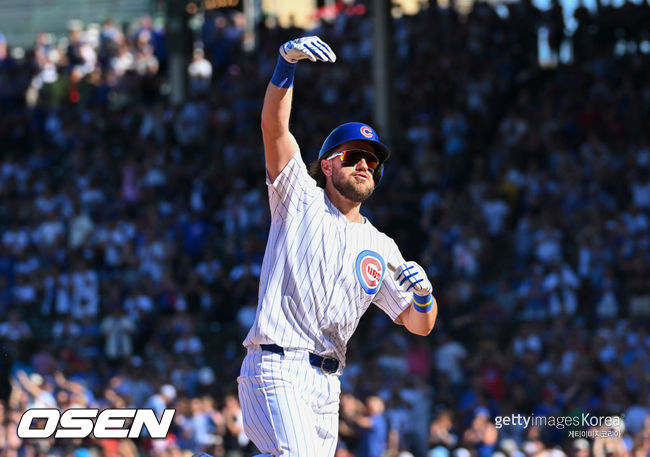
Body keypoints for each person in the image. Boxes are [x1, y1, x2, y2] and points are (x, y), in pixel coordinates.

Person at [231, 36, 438, 457]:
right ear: (326, 165)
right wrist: (285, 65)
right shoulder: (299, 196)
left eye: (372, 161)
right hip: (277, 363)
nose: (364, 164)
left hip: (327, 383)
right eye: (353, 156)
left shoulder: (381, 247)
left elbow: (420, 325)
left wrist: (424, 297)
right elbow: (274, 129)